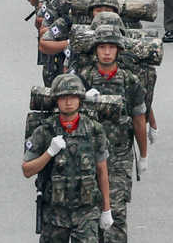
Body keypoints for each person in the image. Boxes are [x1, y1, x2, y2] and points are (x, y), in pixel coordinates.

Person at [72, 28, 148, 243]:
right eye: (102, 47)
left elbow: (138, 119)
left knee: (115, 213)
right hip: (85, 157)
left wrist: (143, 155)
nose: (107, 52)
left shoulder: (130, 81)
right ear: (95, 50)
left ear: (119, 50)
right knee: (87, 214)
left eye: (112, 47)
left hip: (119, 155)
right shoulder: (82, 79)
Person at [21, 73, 114, 240]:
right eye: (63, 98)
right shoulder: (44, 132)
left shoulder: (94, 130)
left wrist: (106, 209)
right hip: (55, 215)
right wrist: (49, 153)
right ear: (56, 100)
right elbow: (27, 170)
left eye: (73, 97)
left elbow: (102, 172)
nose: (69, 102)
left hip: (87, 213)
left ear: (80, 99)